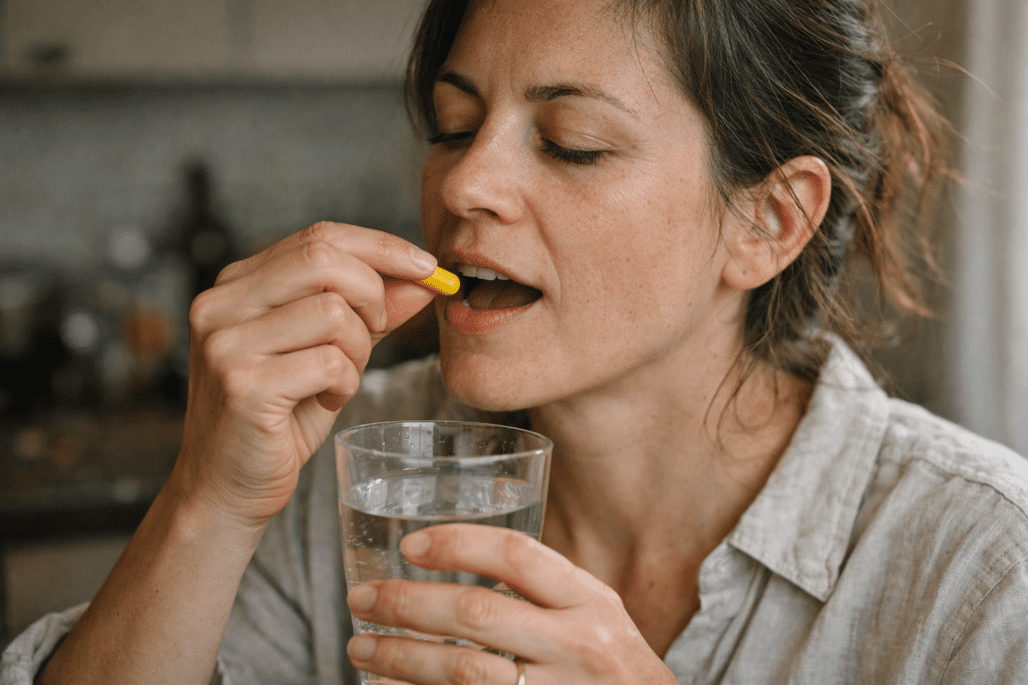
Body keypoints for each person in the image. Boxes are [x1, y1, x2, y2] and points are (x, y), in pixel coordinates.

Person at [6, 0, 1028, 682]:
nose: (461, 186)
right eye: (453, 127)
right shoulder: (352, 459)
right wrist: (207, 498)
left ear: (767, 220)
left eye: (568, 142)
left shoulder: (983, 574)